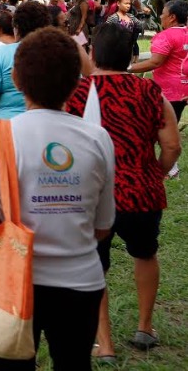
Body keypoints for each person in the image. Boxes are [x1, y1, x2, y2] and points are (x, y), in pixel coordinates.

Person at [0, 26, 115, 371]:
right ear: (76, 82)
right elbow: (103, 227)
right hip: (81, 283)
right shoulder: (97, 137)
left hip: (14, 283)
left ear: (16, 81)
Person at [65, 24, 180, 361]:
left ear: (93, 54)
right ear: (132, 55)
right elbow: (172, 146)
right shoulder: (150, 94)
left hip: (92, 194)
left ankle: (105, 343)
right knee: (145, 254)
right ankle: (145, 326)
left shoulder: (77, 94)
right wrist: (153, 173)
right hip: (141, 193)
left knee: (94, 265)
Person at [130, 0, 188, 178]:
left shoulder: (166, 36)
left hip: (167, 92)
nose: (160, 15)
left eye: (163, 12)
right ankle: (170, 167)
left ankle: (168, 168)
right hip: (183, 91)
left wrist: (128, 69)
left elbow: (155, 62)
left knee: (154, 130)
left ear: (172, 17)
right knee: (167, 126)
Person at [0, 1, 52, 120]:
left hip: (8, 123)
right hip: (49, 123)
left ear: (16, 28)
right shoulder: (59, 53)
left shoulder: (3, 53)